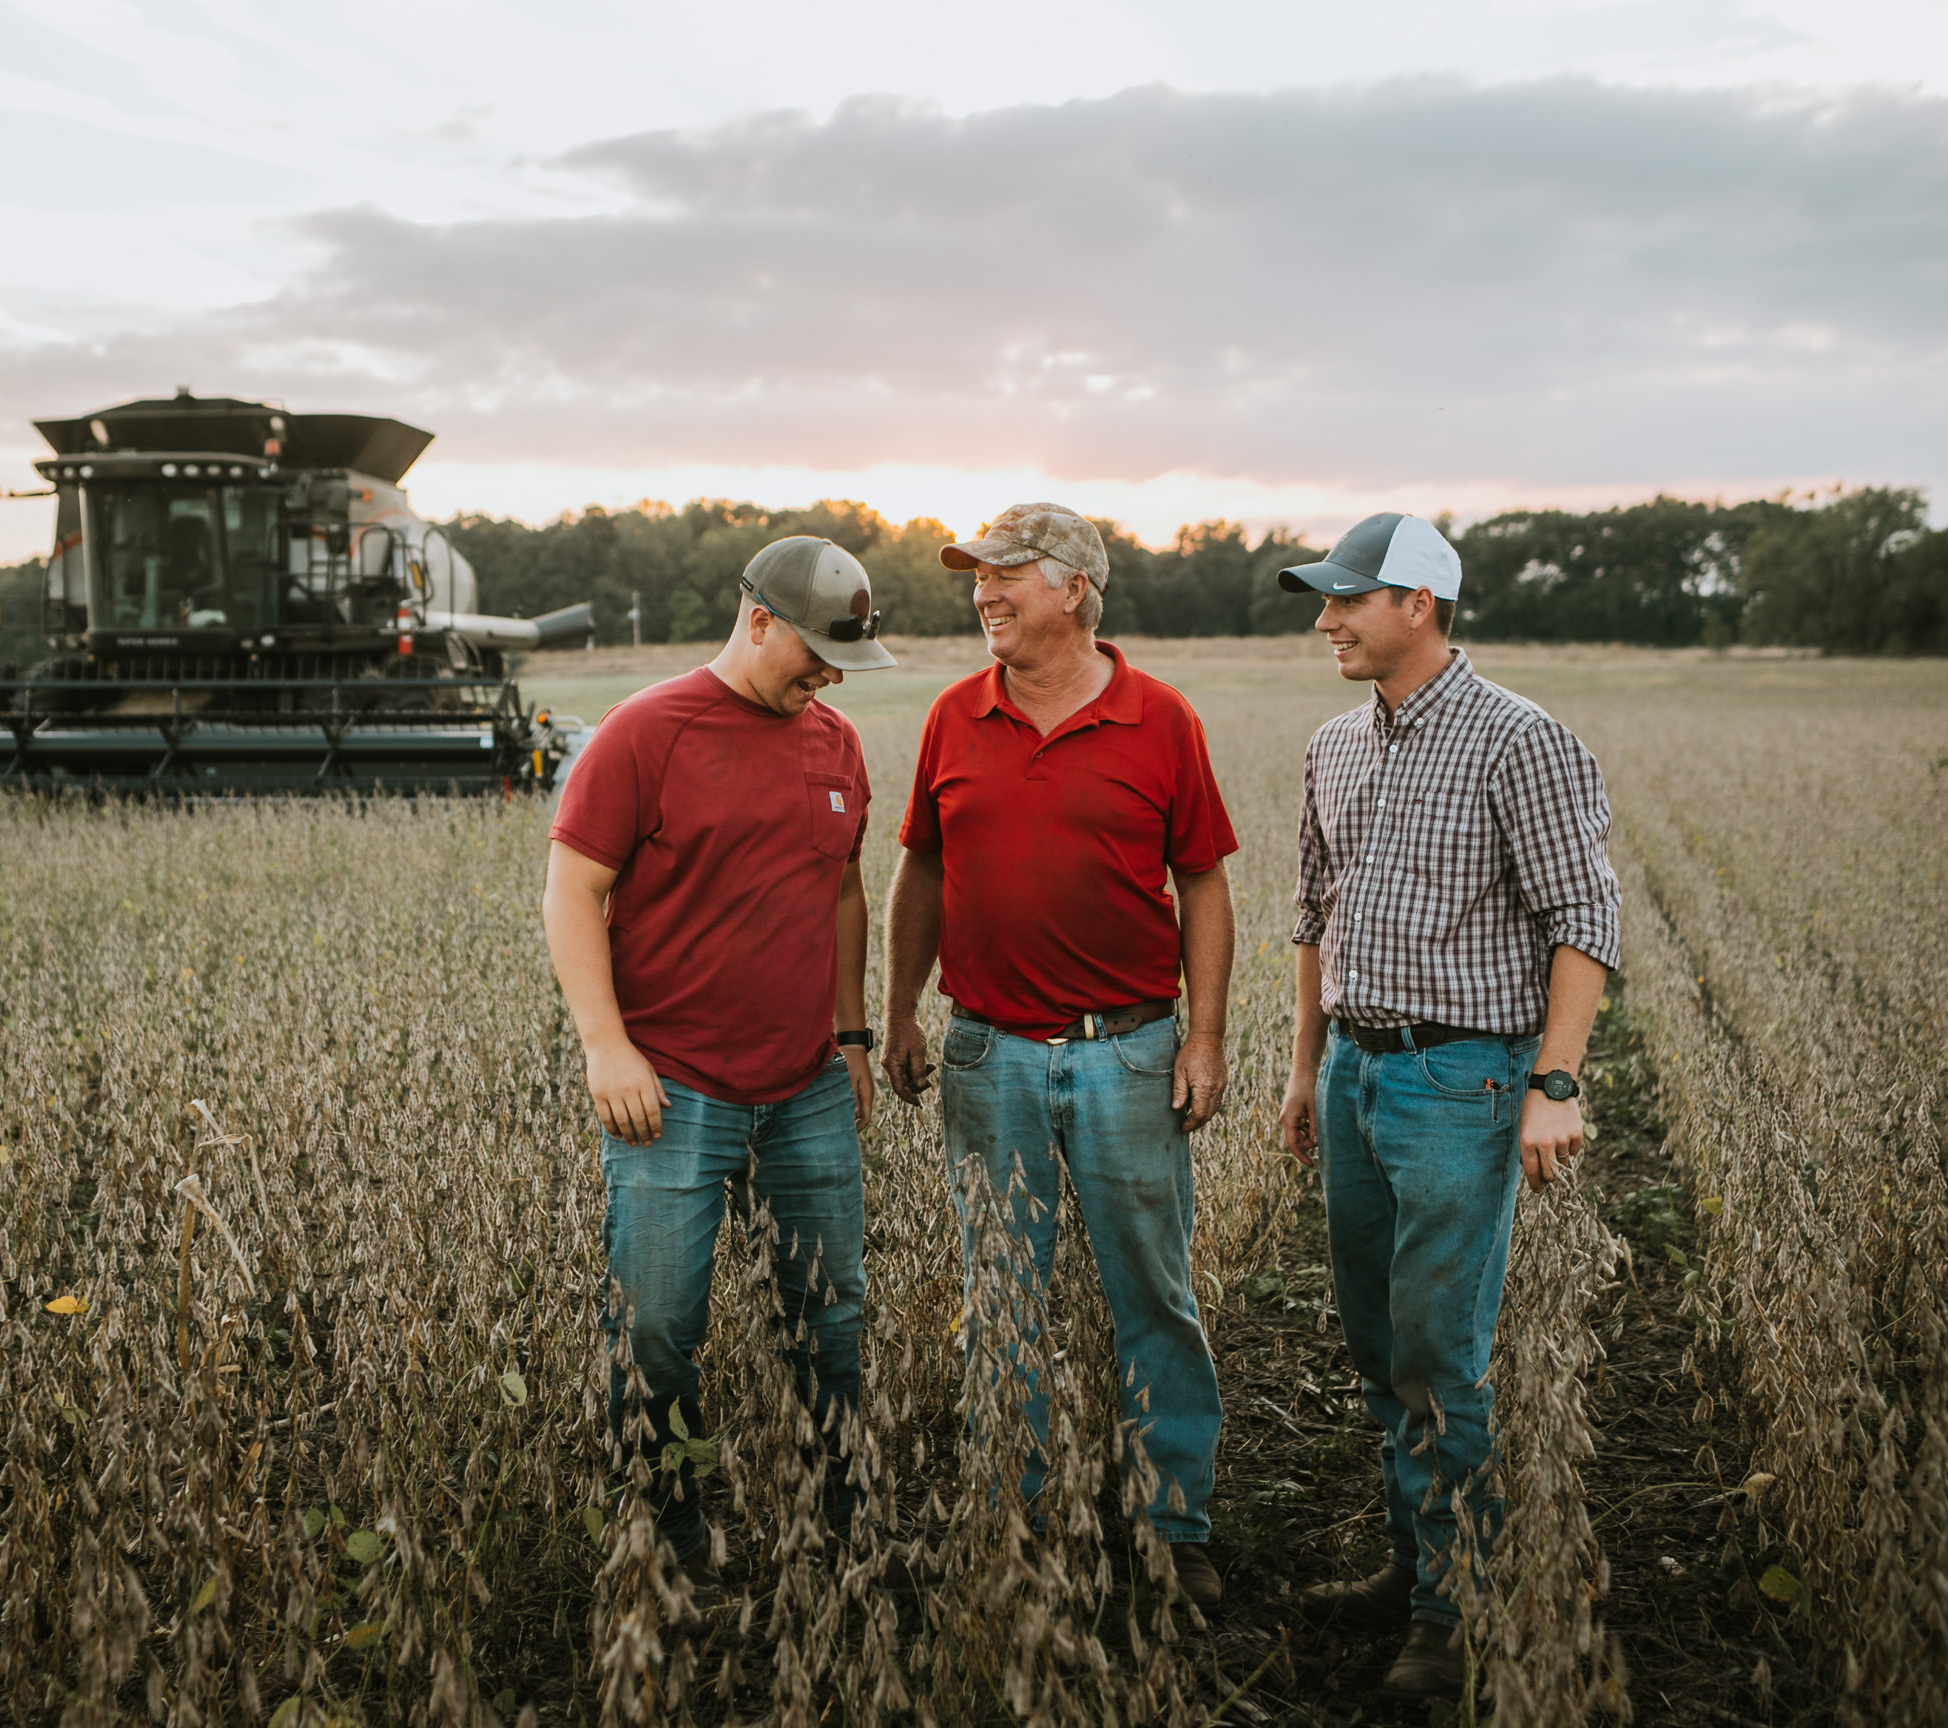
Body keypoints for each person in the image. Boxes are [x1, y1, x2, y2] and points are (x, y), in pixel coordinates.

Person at [1271, 513, 1620, 1701]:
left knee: (1439, 1352)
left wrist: (1552, 1083)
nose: (1326, 620)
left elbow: (1588, 921)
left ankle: (1454, 1608)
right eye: (1325, 600)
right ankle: (1419, 1563)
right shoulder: (1333, 746)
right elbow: (1313, 917)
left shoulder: (1520, 743)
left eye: (1346, 601)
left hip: (1462, 1083)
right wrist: (1305, 1066)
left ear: (1417, 601)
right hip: (1358, 1076)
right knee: (1377, 1344)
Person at [880, 502, 1238, 1609]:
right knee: (1002, 1297)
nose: (982, 592)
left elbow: (1205, 883)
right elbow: (922, 875)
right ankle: (1016, 1522)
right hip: (989, 1058)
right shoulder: (953, 715)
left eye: (1005, 575)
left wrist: (1208, 1036)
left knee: (1155, 1297)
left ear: (1075, 588)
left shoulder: (1160, 718)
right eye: (975, 577)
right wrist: (897, 1011)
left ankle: (1171, 1523)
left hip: (1128, 1054)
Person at [542, 536, 894, 1584]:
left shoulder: (835, 744)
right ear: (758, 622)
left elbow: (840, 893)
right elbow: (573, 893)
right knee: (656, 1325)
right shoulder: (645, 734)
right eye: (818, 653)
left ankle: (841, 1506)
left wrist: (851, 1036)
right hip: (673, 1086)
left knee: (830, 1313)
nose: (830, 677)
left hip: (807, 1089)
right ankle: (669, 1524)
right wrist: (607, 1046)